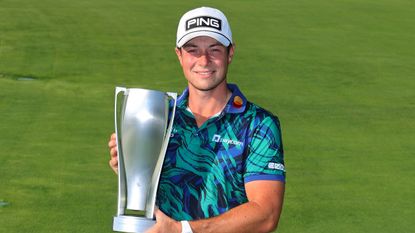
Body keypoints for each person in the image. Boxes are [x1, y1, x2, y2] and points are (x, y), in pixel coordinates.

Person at [108, 6, 285, 233]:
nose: (204, 60)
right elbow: (149, 202)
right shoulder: (159, 118)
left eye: (214, 50)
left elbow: (266, 215)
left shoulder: (258, 125)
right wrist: (130, 168)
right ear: (179, 55)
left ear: (230, 53)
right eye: (193, 50)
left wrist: (183, 230)